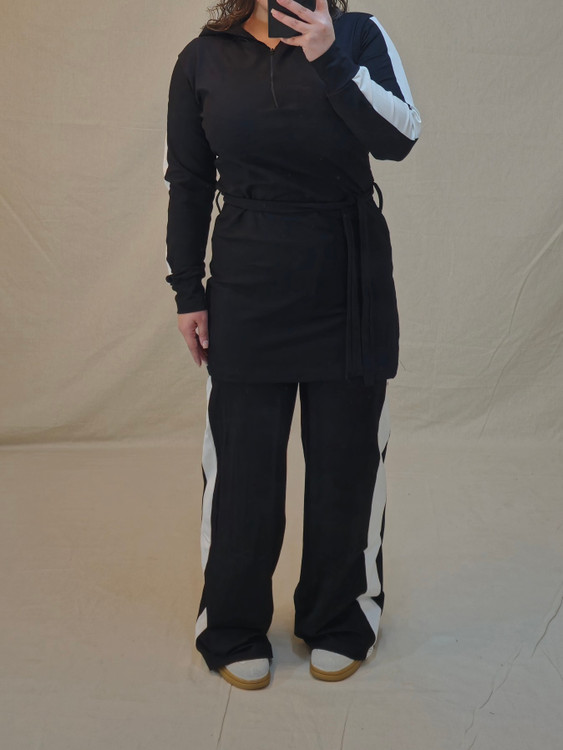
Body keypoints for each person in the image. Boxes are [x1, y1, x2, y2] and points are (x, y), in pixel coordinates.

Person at [163, 0, 421, 690]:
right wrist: (188, 290)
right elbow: (188, 179)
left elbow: (400, 137)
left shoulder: (359, 34)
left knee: (346, 462)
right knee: (243, 471)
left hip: (349, 281)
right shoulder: (203, 58)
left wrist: (330, 56)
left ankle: (341, 617)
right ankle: (232, 624)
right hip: (247, 284)